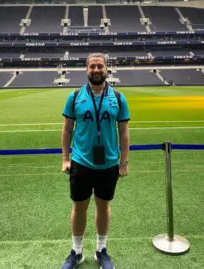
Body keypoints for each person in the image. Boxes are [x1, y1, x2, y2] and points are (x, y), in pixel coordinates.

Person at [60, 52, 130, 269]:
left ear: (106, 68)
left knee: (103, 207)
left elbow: (124, 132)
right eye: (93, 66)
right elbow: (67, 130)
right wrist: (65, 158)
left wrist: (124, 162)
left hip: (108, 164)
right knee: (79, 207)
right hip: (81, 163)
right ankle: (77, 252)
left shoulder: (118, 97)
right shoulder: (74, 96)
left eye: (100, 66)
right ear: (86, 70)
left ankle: (101, 251)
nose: (97, 70)